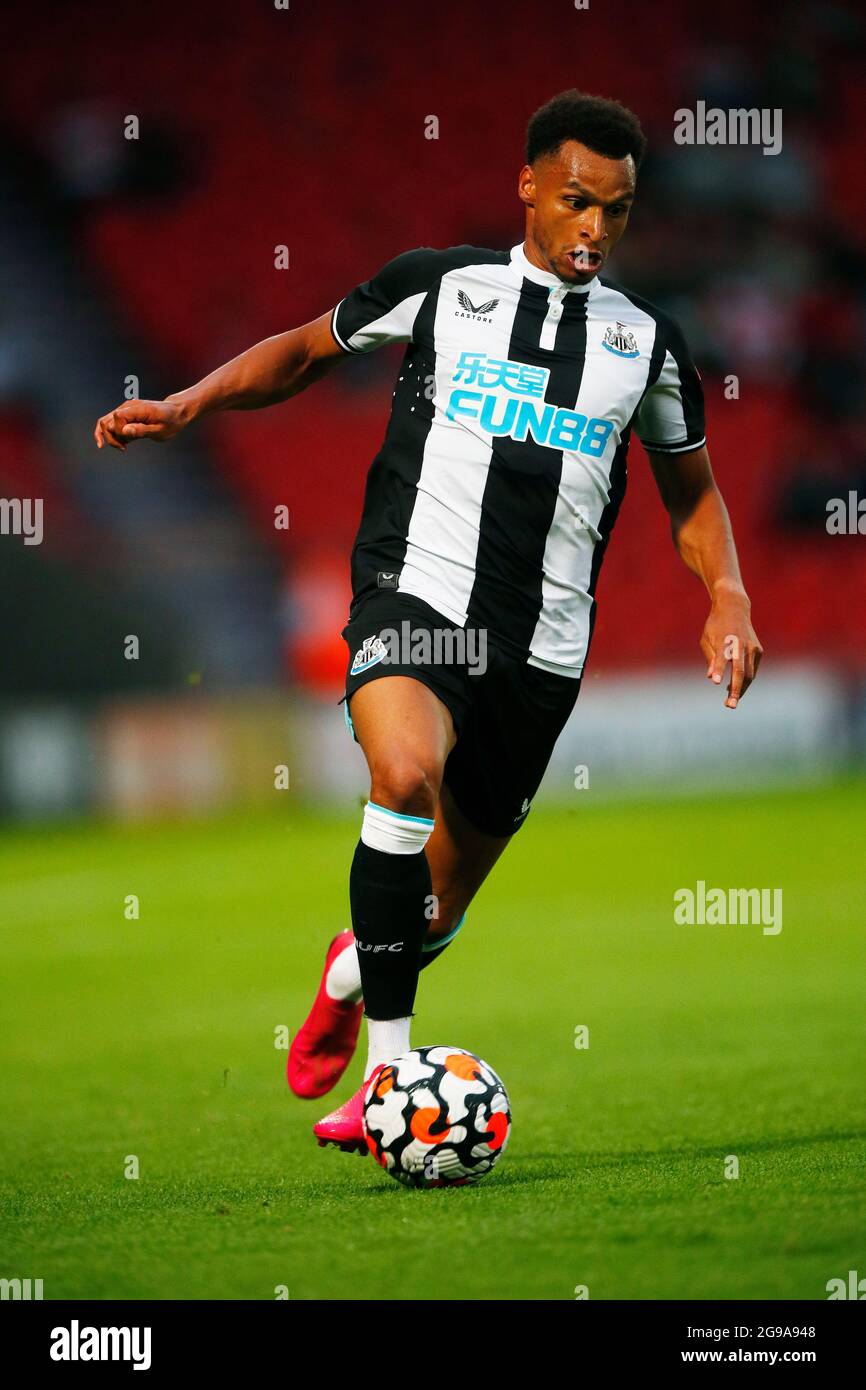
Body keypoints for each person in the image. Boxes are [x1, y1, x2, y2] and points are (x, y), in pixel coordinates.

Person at [94, 90, 763, 1155]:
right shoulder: (443, 287)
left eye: (618, 211)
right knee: (399, 776)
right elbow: (304, 349)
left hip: (538, 653)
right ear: (529, 188)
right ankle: (389, 1080)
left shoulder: (648, 346)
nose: (595, 229)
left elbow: (691, 494)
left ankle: (347, 972)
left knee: (430, 912)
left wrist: (725, 594)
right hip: (413, 597)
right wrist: (191, 403)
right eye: (577, 201)